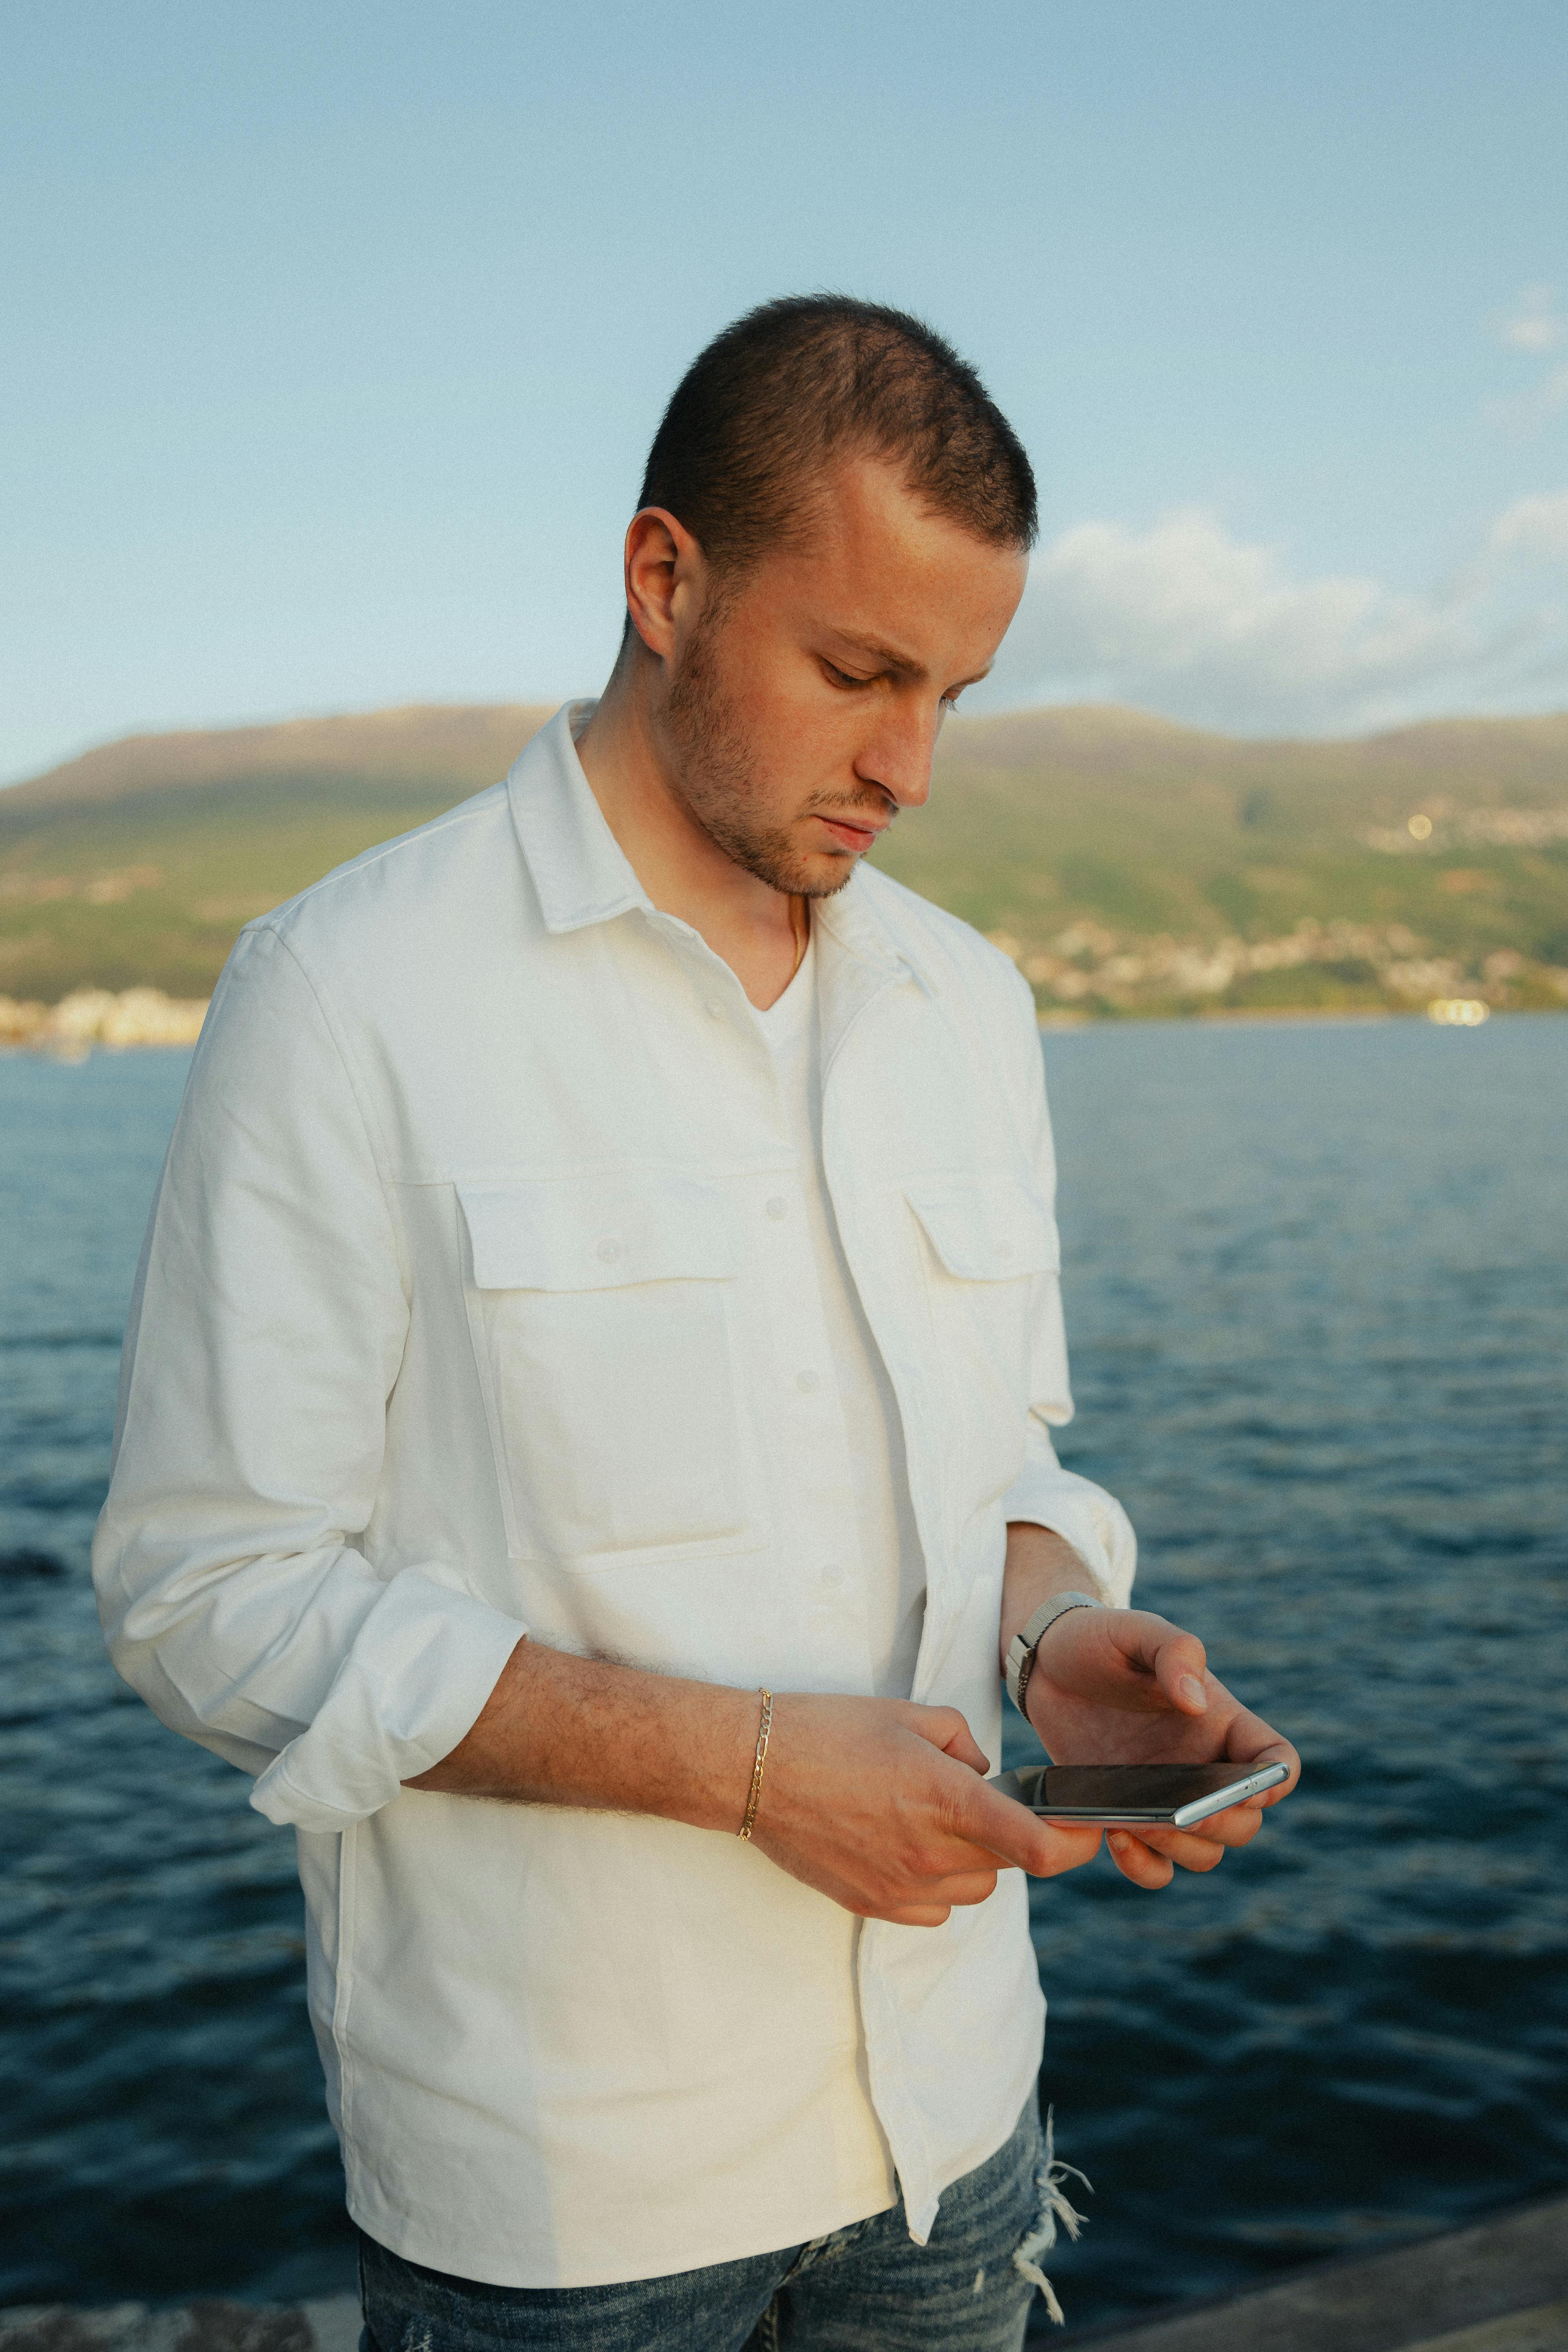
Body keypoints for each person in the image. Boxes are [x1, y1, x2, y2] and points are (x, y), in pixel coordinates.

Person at [94, 297, 1298, 2352]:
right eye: (857, 672)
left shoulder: (970, 1008)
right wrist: (745, 1769)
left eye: (956, 693)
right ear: (666, 581)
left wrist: (1054, 1640)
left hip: (955, 2121)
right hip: (567, 2198)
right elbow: (209, 1598)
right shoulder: (347, 993)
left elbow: (992, 1465)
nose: (910, 767)